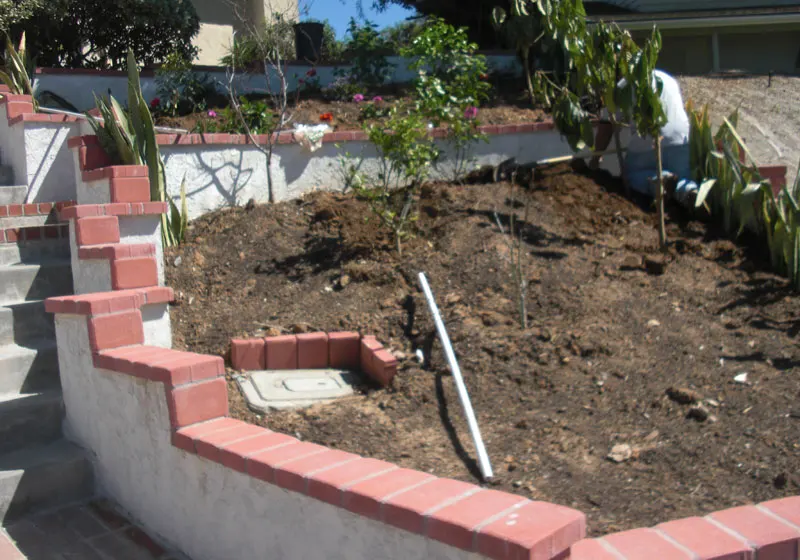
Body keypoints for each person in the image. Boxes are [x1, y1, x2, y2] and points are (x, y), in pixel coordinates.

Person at [591, 69, 698, 206]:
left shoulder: (623, 85)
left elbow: (606, 126)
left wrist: (595, 158)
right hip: (681, 140)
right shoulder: (668, 78)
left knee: (632, 175)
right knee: (683, 175)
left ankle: (657, 182)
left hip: (648, 141)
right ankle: (688, 191)